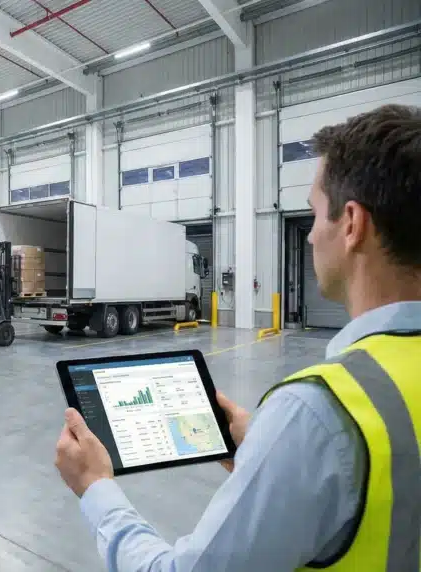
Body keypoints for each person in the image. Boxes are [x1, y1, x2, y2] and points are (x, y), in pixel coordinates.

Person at [55, 104, 421, 572]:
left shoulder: (319, 413)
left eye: (314, 214)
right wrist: (265, 450)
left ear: (351, 224)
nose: (310, 237)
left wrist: (95, 487)